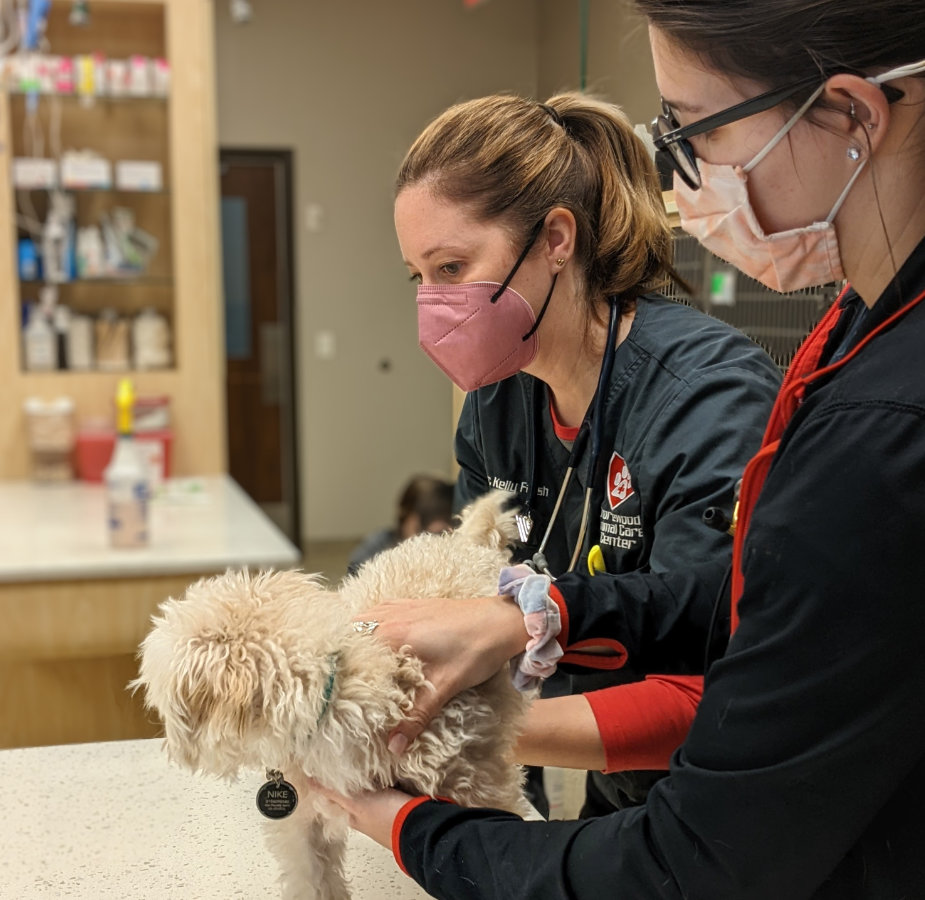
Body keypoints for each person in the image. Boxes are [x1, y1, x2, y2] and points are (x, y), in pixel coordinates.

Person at [314, 4, 925, 898]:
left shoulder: (802, 411)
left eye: (693, 130)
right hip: (653, 810)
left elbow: (699, 831)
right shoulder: (849, 336)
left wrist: (423, 813)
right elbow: (739, 599)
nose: (677, 175)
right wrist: (536, 617)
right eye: (420, 277)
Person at [397, 90, 781, 818]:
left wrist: (450, 733)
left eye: (449, 267)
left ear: (555, 240)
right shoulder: (497, 400)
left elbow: (718, 676)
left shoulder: (704, 398)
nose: (430, 302)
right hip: (613, 777)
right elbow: (480, 616)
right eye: (416, 276)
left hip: (725, 795)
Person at [346, 474, 454, 575]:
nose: (427, 538)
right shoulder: (375, 547)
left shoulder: (449, 548)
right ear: (406, 517)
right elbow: (354, 575)